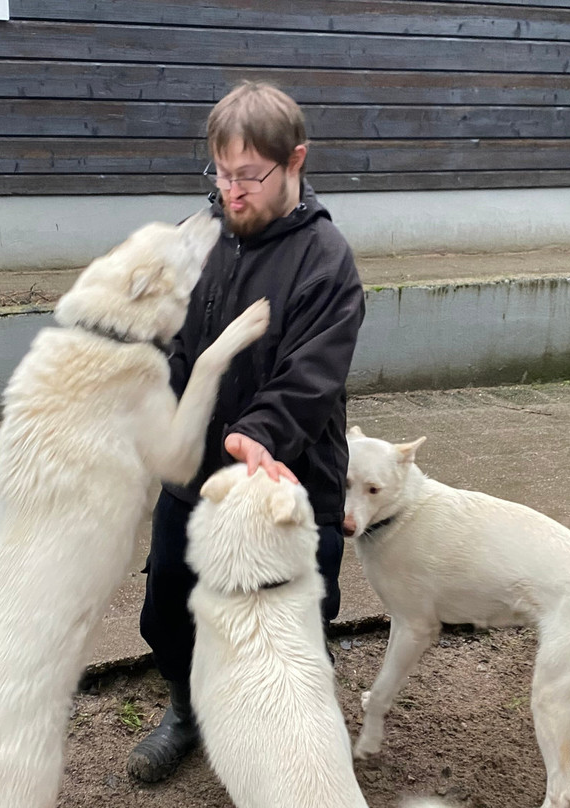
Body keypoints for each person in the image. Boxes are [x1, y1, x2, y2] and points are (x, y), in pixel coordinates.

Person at [127, 81, 365, 783]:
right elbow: (167, 340)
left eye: (249, 177)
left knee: (296, 619)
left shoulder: (326, 259)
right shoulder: (198, 238)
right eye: (221, 173)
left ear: (295, 160)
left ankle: (296, 740)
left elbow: (310, 379)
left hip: (289, 482)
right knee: (171, 597)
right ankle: (187, 708)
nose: (232, 192)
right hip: (196, 474)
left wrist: (257, 433)